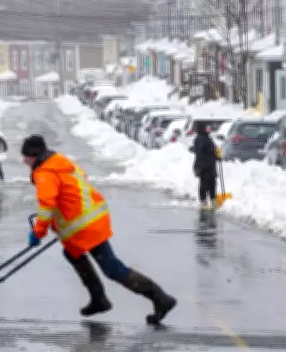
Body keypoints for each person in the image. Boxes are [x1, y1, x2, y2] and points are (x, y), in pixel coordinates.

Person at [21, 134, 177, 325]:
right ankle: (99, 299)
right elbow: (76, 186)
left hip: (86, 226)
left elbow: (47, 206)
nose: (24, 161)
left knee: (112, 269)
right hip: (91, 221)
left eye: (26, 157)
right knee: (73, 254)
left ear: (34, 155)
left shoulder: (45, 172)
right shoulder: (60, 163)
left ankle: (160, 298)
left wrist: (37, 233)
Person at [192, 123, 221, 207]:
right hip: (204, 165)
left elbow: (213, 150)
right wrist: (201, 164)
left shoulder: (208, 138)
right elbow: (199, 152)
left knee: (213, 182)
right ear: (203, 129)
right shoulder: (199, 139)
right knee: (204, 183)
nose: (209, 129)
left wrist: (218, 155)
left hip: (211, 165)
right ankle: (203, 200)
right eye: (207, 128)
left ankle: (213, 199)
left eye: (209, 128)